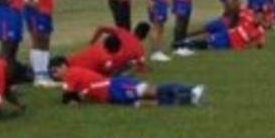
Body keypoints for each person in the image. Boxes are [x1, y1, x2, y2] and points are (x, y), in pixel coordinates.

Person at [49, 56, 205, 106]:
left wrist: (74, 99)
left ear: (63, 66)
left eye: (55, 70)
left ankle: (191, 89)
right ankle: (189, 98)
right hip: (112, 96)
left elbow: (67, 97)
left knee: (152, 91)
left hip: (113, 86)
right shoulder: (71, 77)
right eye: (52, 73)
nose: (55, 74)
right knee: (149, 102)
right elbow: (73, 97)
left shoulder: (70, 74)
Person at [172, 8, 264, 52]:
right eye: (257, 17)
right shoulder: (247, 17)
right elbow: (235, 12)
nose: (257, 19)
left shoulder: (260, 31)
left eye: (260, 18)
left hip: (231, 44)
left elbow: (259, 44)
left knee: (210, 46)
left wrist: (253, 46)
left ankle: (187, 46)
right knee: (208, 38)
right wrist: (226, 20)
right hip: (227, 34)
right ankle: (182, 43)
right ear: (254, 16)